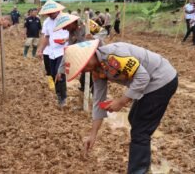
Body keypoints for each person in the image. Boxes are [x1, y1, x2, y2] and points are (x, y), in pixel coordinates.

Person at [64, 40, 178, 173]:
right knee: (134, 119)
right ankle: (144, 167)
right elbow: (98, 100)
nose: (84, 70)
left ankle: (139, 171)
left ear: (89, 55)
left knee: (140, 130)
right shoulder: (97, 69)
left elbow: (142, 77)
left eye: (83, 66)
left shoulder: (114, 55)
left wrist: (121, 101)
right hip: (150, 85)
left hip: (161, 80)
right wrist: (92, 135)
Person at [37, 0, 68, 106]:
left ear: (58, 10)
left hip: (63, 50)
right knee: (53, 73)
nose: (50, 14)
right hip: (51, 51)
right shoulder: (47, 22)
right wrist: (40, 49)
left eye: (52, 12)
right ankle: (58, 95)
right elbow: (46, 37)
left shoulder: (66, 18)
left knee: (59, 73)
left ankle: (63, 97)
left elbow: (73, 32)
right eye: (48, 13)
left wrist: (66, 39)